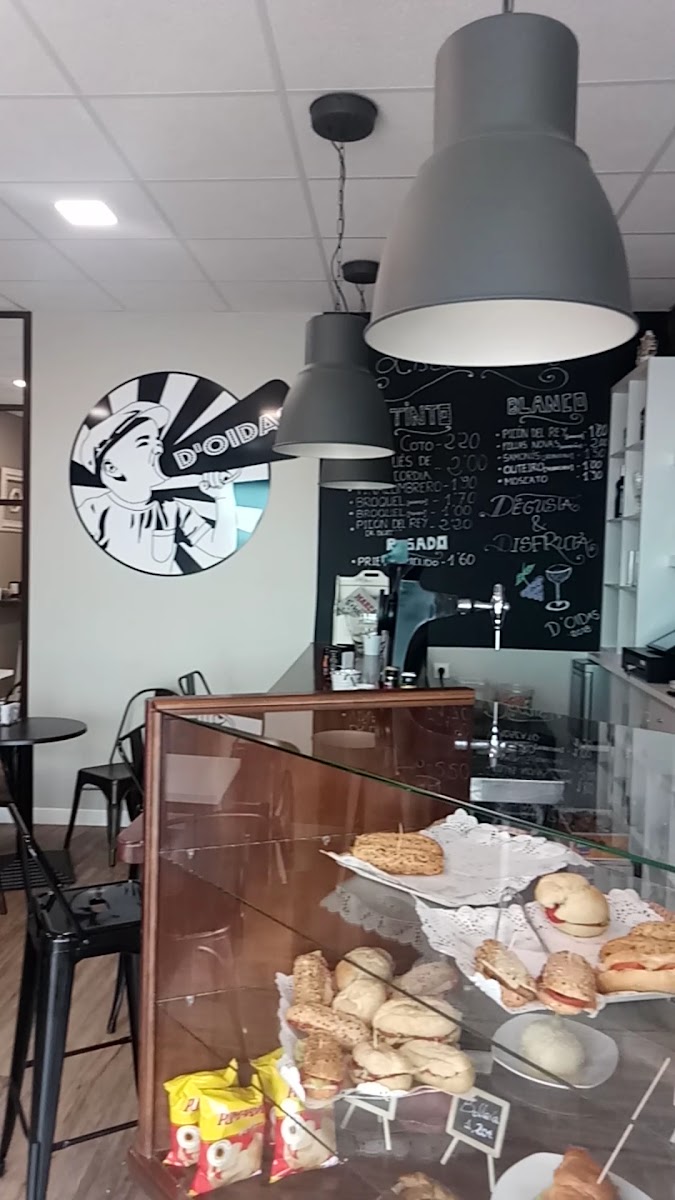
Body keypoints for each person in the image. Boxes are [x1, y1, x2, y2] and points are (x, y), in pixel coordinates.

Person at [77, 401, 239, 574]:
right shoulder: (93, 511)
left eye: (157, 440)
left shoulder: (172, 510)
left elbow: (221, 549)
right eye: (144, 442)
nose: (159, 448)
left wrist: (223, 496)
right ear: (112, 468)